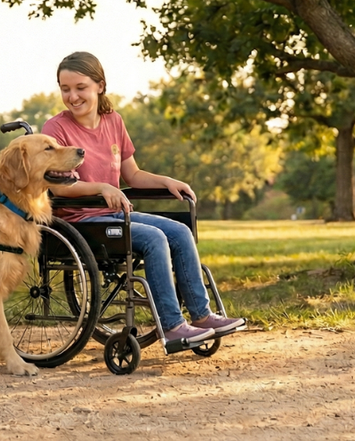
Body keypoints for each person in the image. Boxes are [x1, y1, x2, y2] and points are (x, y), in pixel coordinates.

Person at [41, 51, 245, 344]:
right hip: (81, 221)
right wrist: (101, 187)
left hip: (114, 215)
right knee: (154, 239)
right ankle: (173, 326)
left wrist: (167, 182)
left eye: (80, 87)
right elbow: (60, 188)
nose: (72, 96)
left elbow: (132, 175)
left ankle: (201, 315)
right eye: (65, 89)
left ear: (99, 85)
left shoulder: (113, 121)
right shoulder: (56, 129)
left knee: (179, 231)